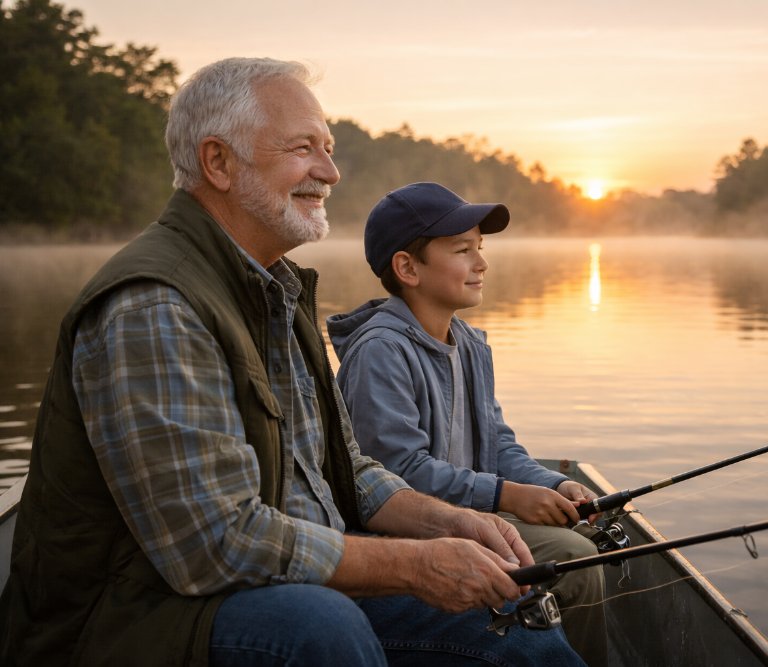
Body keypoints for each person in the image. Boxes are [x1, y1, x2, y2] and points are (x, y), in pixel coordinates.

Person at [0, 58, 585, 666]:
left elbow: (347, 469)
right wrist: (416, 565)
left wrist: (451, 524)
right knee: (319, 627)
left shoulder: (274, 290)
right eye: (304, 148)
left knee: (513, 616)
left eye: (328, 148)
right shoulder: (154, 303)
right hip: (134, 618)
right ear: (218, 162)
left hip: (266, 581)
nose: (330, 172)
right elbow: (214, 544)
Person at [328, 182, 609, 666]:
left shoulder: (469, 343)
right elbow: (396, 473)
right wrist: (507, 495)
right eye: (462, 250)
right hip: (414, 533)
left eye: (480, 248)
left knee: (588, 539)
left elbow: (498, 441)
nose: (481, 263)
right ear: (407, 268)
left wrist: (554, 483)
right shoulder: (382, 352)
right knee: (574, 563)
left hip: (473, 513)